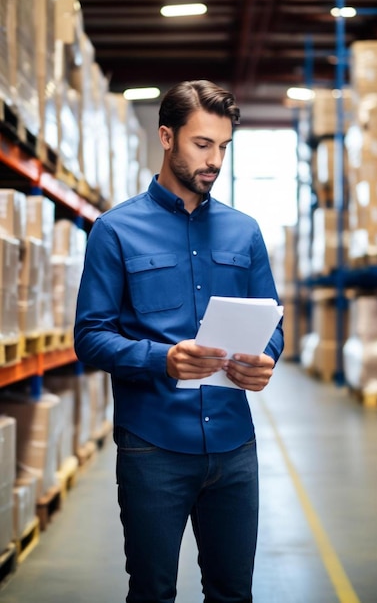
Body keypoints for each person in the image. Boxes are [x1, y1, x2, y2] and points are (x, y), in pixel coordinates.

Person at [74, 79, 284, 603]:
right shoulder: (115, 230)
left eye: (223, 147)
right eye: (201, 144)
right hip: (153, 448)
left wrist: (267, 358)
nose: (214, 160)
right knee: (152, 593)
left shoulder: (245, 232)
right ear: (167, 137)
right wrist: (161, 359)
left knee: (233, 593)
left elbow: (274, 323)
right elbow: (90, 336)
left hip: (236, 448)